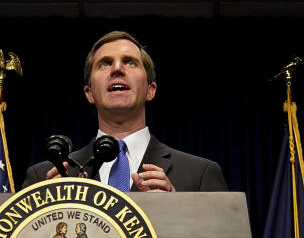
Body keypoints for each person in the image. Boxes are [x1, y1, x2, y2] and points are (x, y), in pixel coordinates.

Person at [22, 31, 228, 192]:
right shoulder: (44, 178)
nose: (117, 69)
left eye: (130, 62)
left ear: (150, 90)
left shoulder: (199, 174)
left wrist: (173, 210)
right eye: (105, 64)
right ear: (89, 93)